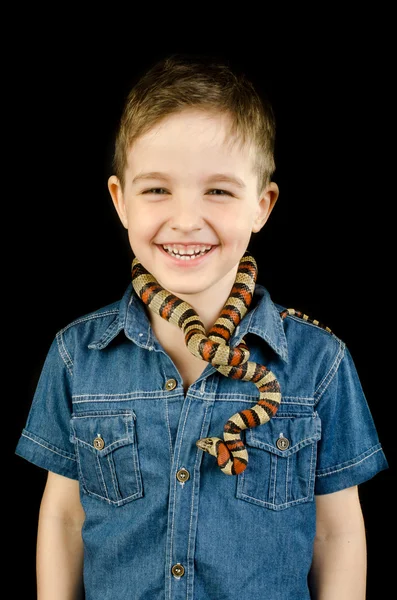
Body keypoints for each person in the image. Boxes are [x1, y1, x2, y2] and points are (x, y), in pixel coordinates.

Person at [15, 53, 388, 600]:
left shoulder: (319, 361)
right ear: (120, 201)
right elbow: (64, 519)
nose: (186, 220)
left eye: (218, 190)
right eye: (157, 189)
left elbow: (337, 531)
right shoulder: (78, 354)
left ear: (262, 206)